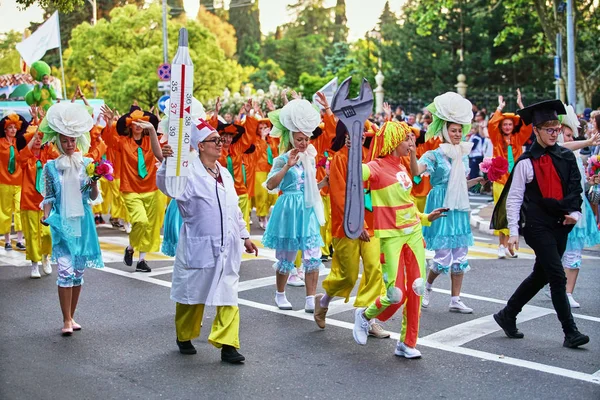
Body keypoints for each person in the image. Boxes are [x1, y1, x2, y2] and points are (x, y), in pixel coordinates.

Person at [157, 118, 258, 363]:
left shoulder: (224, 172)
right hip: (200, 243)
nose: (221, 143)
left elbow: (233, 209)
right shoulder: (188, 172)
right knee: (193, 294)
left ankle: (228, 345)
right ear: (200, 146)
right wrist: (167, 163)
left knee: (228, 294)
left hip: (228, 244)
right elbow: (167, 186)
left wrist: (244, 235)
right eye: (215, 140)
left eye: (220, 140)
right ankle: (184, 335)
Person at [490, 100, 589, 349]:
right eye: (549, 130)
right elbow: (513, 199)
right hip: (536, 226)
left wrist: (574, 214)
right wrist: (513, 232)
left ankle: (507, 314)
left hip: (561, 224)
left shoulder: (566, 156)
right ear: (536, 131)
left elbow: (576, 189)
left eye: (557, 129)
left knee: (541, 274)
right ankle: (570, 332)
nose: (555, 134)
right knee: (557, 275)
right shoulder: (526, 162)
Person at [352, 121, 447, 358]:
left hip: (413, 234)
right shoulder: (374, 167)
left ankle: (408, 343)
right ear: (394, 141)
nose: (411, 142)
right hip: (391, 238)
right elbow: (352, 174)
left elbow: (407, 204)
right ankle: (365, 316)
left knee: (416, 289)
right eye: (407, 139)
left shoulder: (403, 167)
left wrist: (425, 217)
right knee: (394, 294)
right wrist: (352, 147)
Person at [313, 122, 389, 339]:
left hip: (372, 224)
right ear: (344, 135)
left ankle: (368, 318)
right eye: (352, 132)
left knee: (375, 268)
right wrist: (358, 224)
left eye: (362, 132)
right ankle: (324, 300)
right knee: (347, 276)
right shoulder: (339, 158)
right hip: (346, 226)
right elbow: (339, 197)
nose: (359, 136)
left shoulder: (371, 155)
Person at [410, 92, 484, 314]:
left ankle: (455, 299)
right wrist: (413, 153)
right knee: (442, 258)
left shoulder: (462, 154)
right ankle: (428, 287)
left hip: (459, 208)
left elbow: (460, 184)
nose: (457, 134)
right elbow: (415, 172)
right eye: (453, 130)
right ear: (444, 131)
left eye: (460, 130)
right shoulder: (434, 155)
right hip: (441, 206)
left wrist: (477, 181)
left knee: (460, 257)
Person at [39, 102, 104, 335]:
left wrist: (95, 181)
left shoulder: (87, 164)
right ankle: (66, 319)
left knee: (78, 272)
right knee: (65, 271)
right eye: (65, 140)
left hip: (84, 222)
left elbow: (93, 197)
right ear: (57, 142)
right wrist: (46, 218)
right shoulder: (50, 167)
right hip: (63, 222)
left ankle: (72, 316)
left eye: (72, 140)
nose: (69, 144)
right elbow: (48, 197)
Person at [262, 99, 328, 312]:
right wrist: (287, 166)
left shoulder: (309, 159)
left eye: (306, 139)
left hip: (307, 209)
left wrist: (324, 182)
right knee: (286, 256)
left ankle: (310, 299)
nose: (304, 143)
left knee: (312, 256)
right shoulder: (282, 159)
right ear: (291, 138)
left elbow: (309, 188)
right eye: (300, 139)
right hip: (288, 209)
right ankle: (279, 294)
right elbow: (271, 184)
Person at [101, 105, 166, 273]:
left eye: (141, 122)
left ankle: (141, 259)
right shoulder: (123, 142)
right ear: (129, 125)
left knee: (149, 225)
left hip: (151, 188)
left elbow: (162, 149)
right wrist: (109, 124)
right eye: (134, 122)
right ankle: (130, 249)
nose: (138, 125)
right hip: (130, 189)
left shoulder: (151, 141)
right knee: (140, 221)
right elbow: (109, 141)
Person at [488, 90, 532, 259]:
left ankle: (508, 246)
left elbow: (528, 126)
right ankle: (501, 245)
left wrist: (521, 105)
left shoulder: (518, 139)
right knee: (501, 211)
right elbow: (492, 124)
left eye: (510, 124)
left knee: (513, 212)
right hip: (500, 180)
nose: (507, 127)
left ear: (513, 126)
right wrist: (499, 108)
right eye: (504, 124)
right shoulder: (496, 139)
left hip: (515, 180)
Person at [18, 114, 58, 278]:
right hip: (28, 201)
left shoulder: (47, 155)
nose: (37, 140)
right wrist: (33, 134)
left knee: (47, 234)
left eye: (40, 138)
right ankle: (34, 264)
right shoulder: (25, 157)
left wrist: (44, 125)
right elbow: (21, 158)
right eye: (34, 137)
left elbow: (57, 154)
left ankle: (45, 257)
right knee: (32, 234)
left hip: (45, 202)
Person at [0, 112, 28, 251]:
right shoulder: (0, 143)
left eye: (14, 127)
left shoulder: (20, 142)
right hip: (3, 182)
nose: (13, 130)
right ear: (4, 129)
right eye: (9, 127)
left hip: (19, 181)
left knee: (19, 210)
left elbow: (31, 131)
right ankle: (6, 241)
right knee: (5, 211)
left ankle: (19, 240)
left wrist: (34, 117)